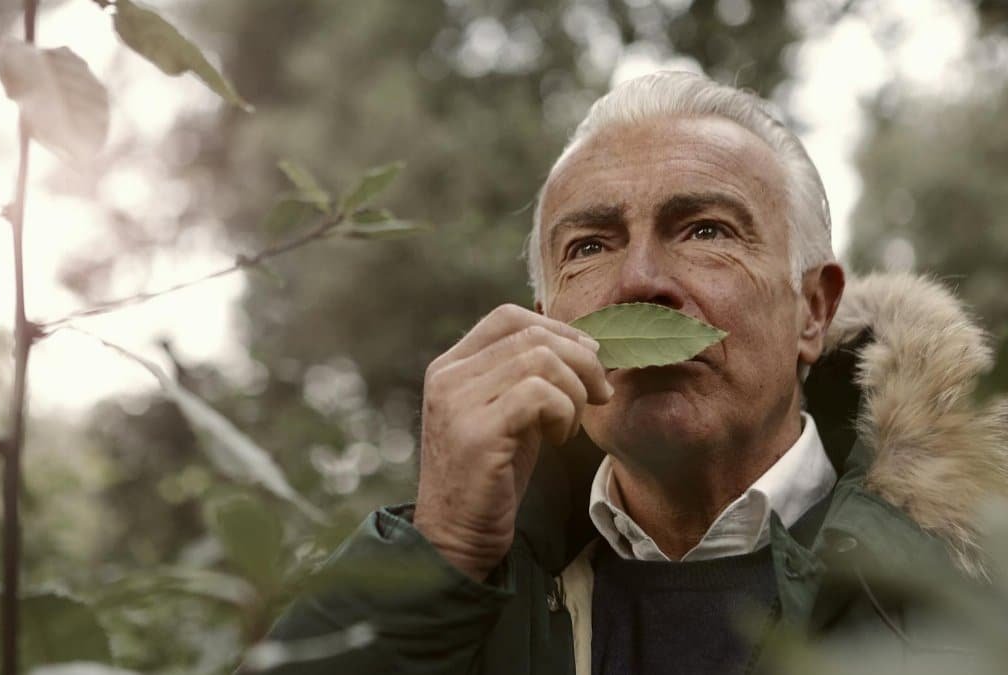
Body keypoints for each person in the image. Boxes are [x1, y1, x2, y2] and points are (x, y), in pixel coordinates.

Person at [261, 71, 1008, 674]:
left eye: (706, 230)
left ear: (812, 311)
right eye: (589, 246)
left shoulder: (972, 570)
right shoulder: (478, 589)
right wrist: (441, 551)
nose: (640, 281)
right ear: (545, 318)